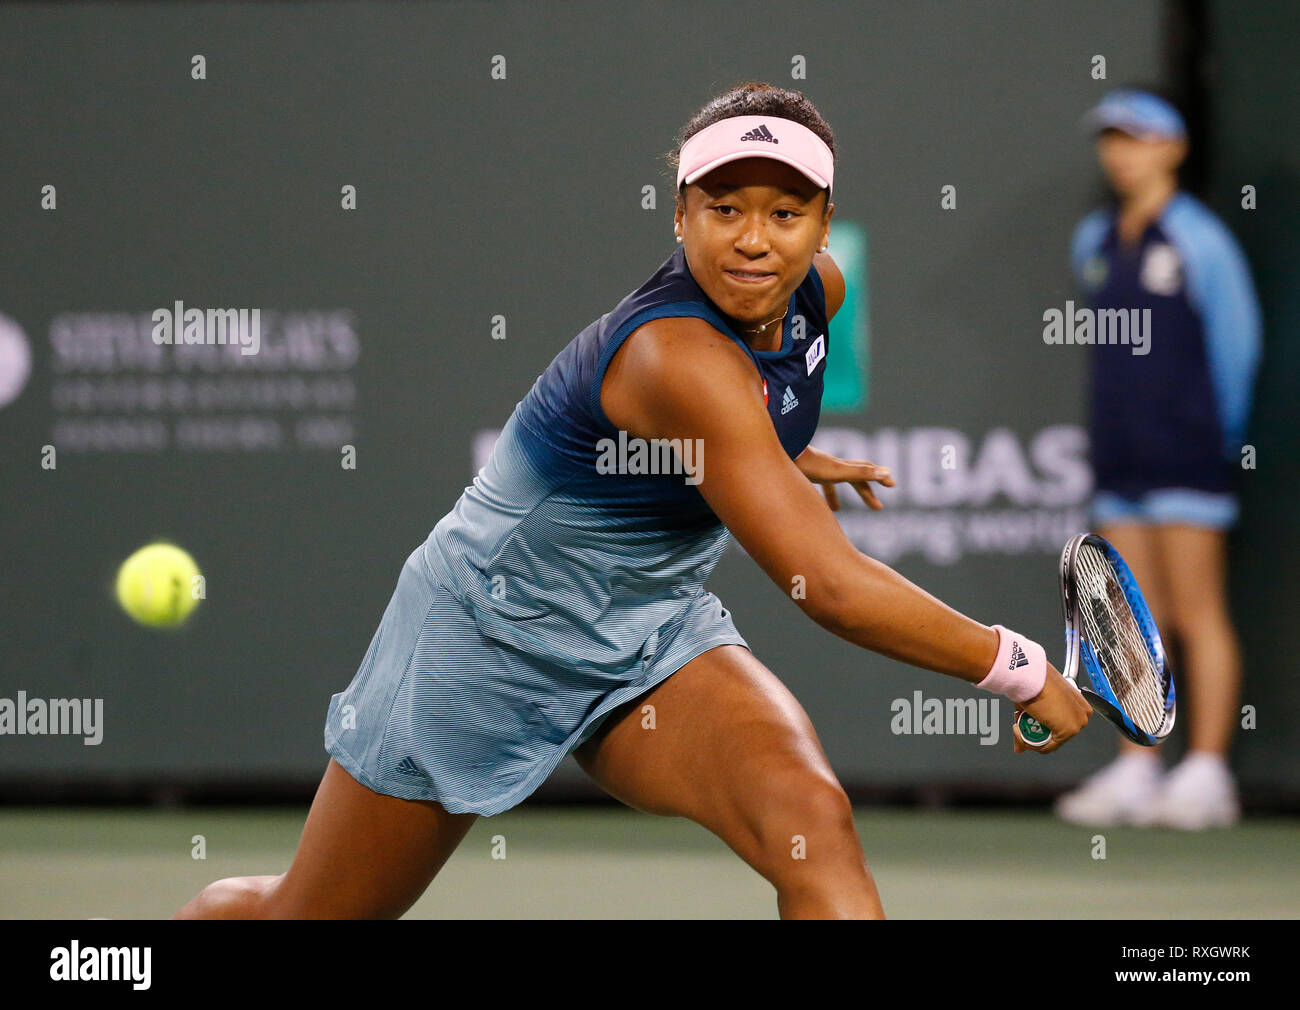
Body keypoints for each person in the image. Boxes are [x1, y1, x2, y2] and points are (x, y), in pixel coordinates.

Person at [174, 82, 1089, 921]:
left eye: (785, 211)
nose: (754, 237)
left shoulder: (817, 294)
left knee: (813, 823)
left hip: (650, 633)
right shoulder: (669, 356)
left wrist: (778, 453)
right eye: (723, 209)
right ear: (680, 214)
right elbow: (833, 588)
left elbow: (741, 410)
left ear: (823, 223)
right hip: (483, 638)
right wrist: (1018, 667)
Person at [1055, 88, 1262, 830]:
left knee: (1197, 611)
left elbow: (1237, 349)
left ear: (1172, 149)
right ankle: (1139, 765)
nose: (1121, 152)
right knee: (1132, 618)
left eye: (1138, 138)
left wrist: (1209, 437)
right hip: (1119, 458)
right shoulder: (1095, 241)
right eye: (1111, 139)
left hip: (1188, 456)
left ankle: (1206, 774)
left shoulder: (1201, 240)